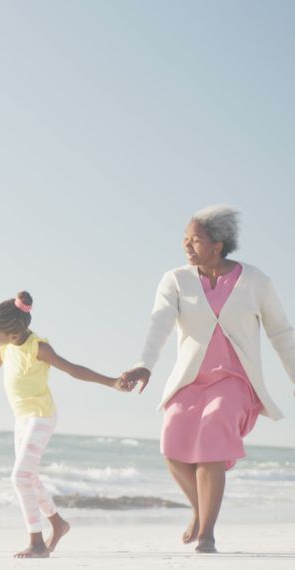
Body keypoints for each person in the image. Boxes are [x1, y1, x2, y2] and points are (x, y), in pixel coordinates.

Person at [119, 205, 295, 553]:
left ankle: (207, 534)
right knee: (172, 443)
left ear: (218, 244)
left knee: (213, 430)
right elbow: (160, 325)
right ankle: (201, 511)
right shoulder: (176, 280)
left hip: (236, 381)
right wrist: (145, 364)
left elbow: (281, 332)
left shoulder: (256, 281)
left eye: (195, 240)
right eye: (185, 239)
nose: (186, 246)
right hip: (190, 379)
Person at [0, 292, 128, 558]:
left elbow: (72, 369)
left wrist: (112, 381)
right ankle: (57, 523)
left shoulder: (37, 348)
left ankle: (36, 541)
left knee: (19, 477)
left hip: (41, 417)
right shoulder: (6, 348)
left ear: (11, 333)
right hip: (22, 420)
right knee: (30, 477)